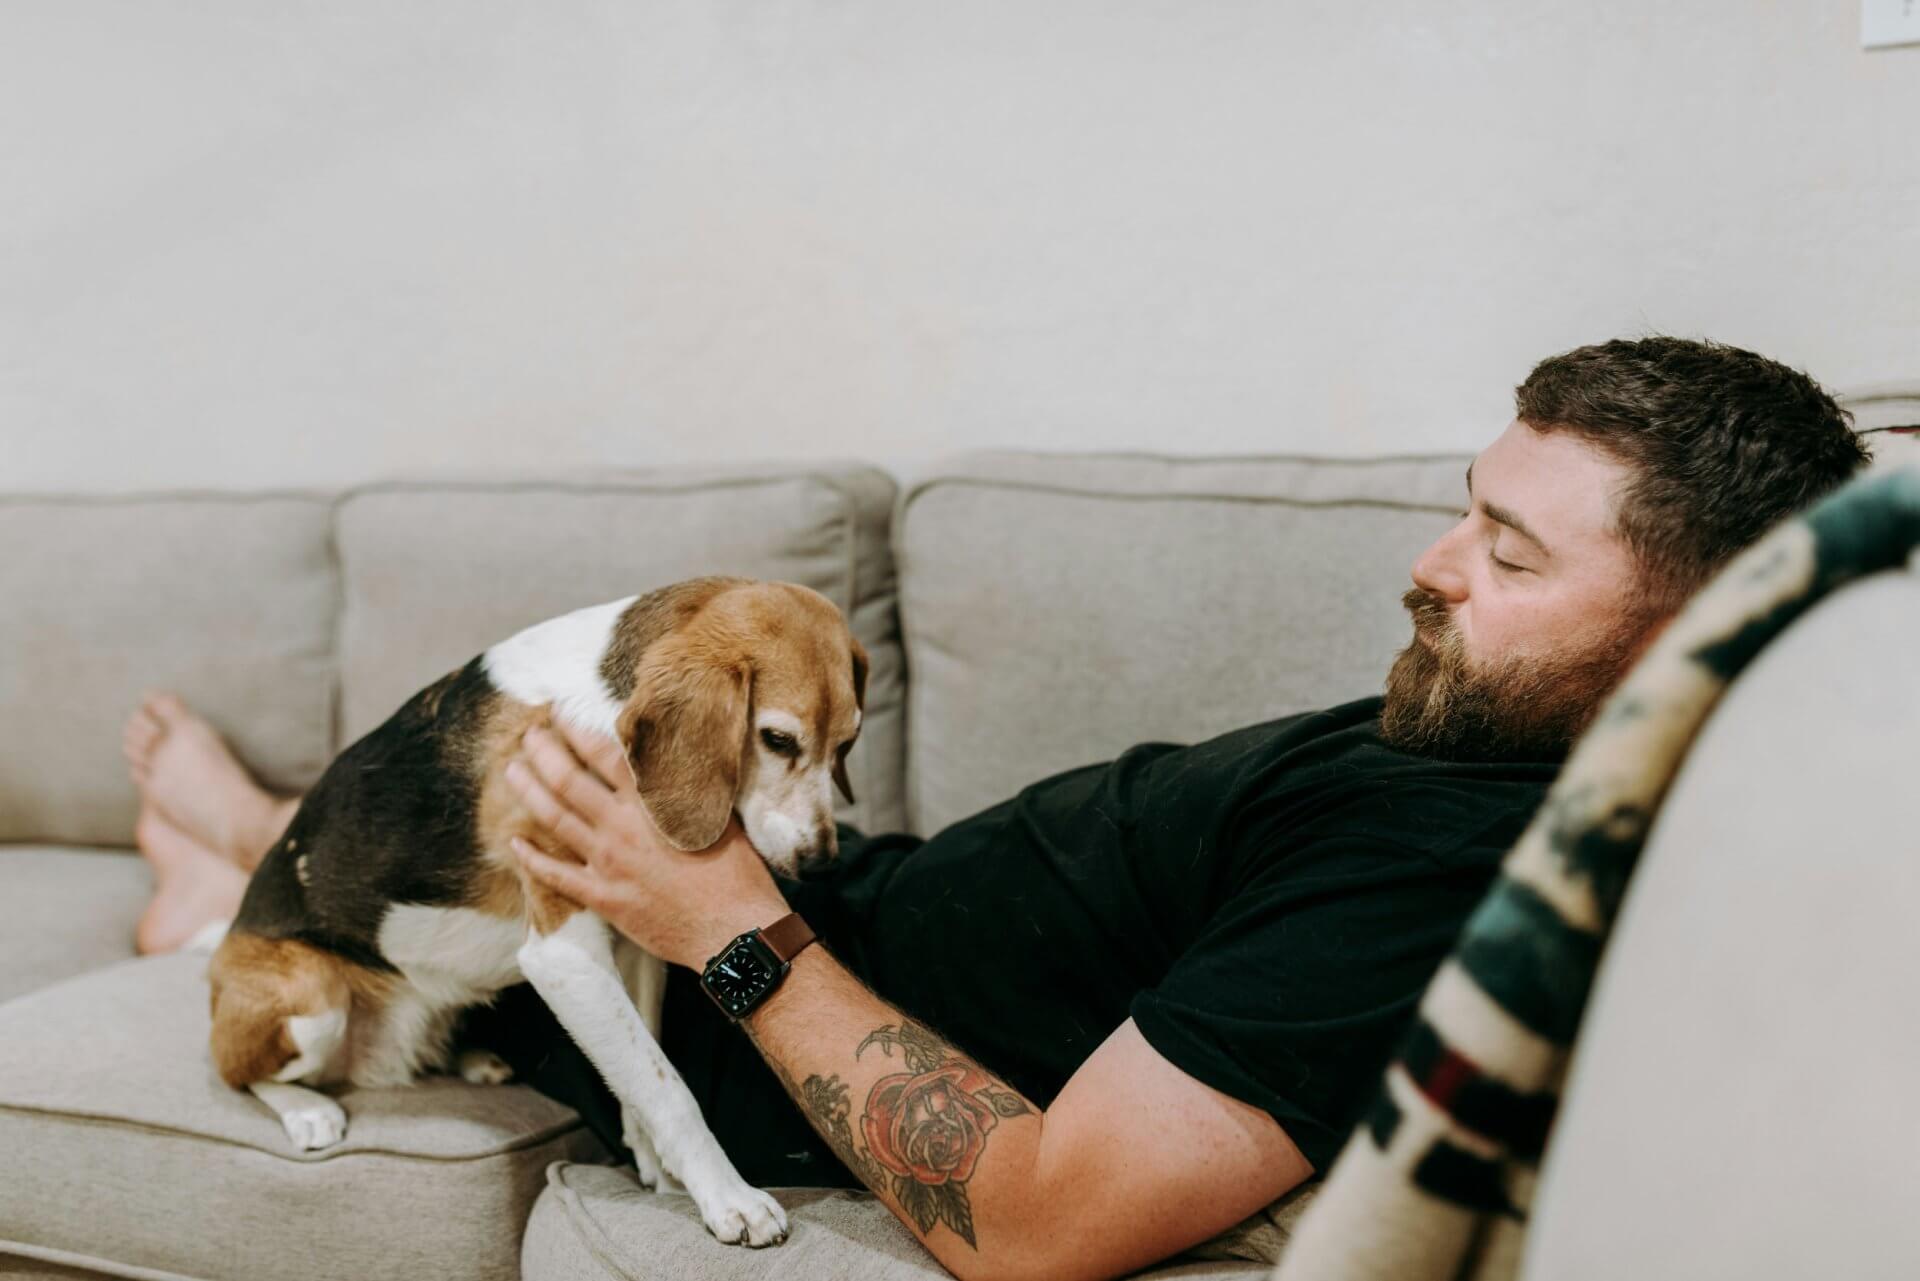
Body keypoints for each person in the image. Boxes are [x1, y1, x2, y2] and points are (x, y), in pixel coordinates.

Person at [123, 337, 1867, 1281]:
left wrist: (713, 918)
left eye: (1504, 552)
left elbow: (1041, 1222)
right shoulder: (1486, 720)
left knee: (378, 932)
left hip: (737, 991)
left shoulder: (1454, 875)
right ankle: (263, 821)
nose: (1426, 568)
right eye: (1458, 510)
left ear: (1703, 626)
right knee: (427, 816)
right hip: (852, 892)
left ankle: (204, 898)